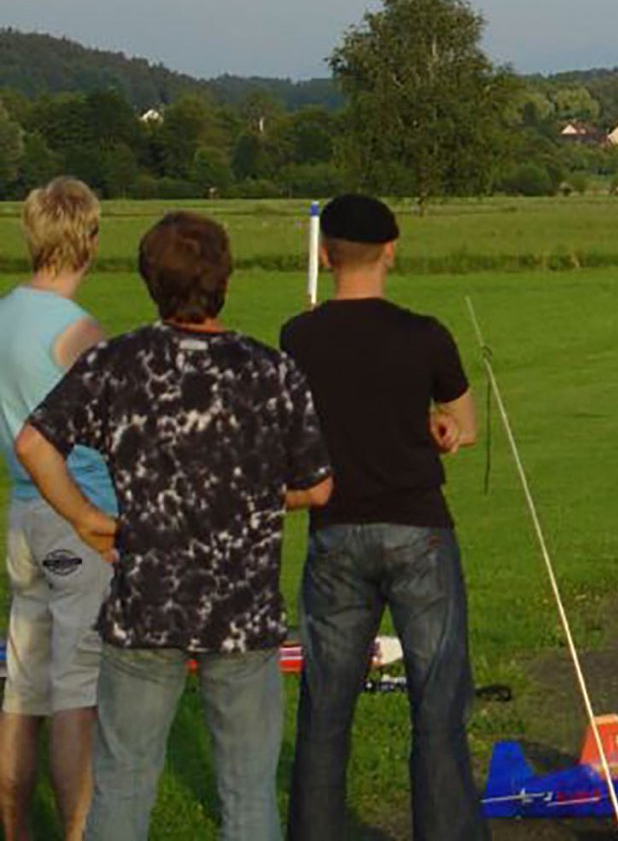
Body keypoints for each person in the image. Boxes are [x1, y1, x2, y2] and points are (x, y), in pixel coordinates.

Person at [14, 211, 332, 841]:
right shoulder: (269, 371)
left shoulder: (119, 362)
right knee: (248, 794)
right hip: (242, 612)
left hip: (145, 605)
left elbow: (33, 444)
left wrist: (83, 517)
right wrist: (247, 498)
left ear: (149, 281)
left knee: (123, 787)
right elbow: (318, 486)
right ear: (225, 279)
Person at [281, 193, 486, 841]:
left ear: (326, 255)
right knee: (437, 705)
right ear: (391, 250)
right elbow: (465, 426)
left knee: (325, 711)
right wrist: (439, 427)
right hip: (418, 528)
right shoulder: (425, 335)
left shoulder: (298, 336)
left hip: (334, 529)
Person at [0, 178, 112, 841]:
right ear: (88, 240)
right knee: (77, 690)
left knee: (22, 686)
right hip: (77, 513)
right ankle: (77, 832)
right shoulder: (80, 331)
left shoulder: (4, 314)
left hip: (21, 512)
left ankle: (14, 827)